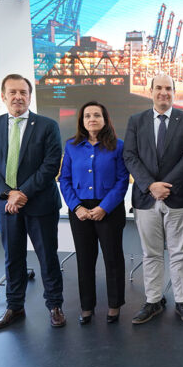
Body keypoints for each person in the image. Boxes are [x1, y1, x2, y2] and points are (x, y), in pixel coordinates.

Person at [0, 73, 66, 330]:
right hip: (6, 205)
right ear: (3, 96)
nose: (18, 97)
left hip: (40, 204)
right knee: (13, 258)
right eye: (13, 92)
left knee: (47, 257)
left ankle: (55, 306)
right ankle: (14, 306)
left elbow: (51, 165)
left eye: (23, 92)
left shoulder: (47, 125)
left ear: (30, 96)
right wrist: (9, 194)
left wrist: (22, 193)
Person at [123, 73, 183, 325]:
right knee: (151, 253)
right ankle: (153, 300)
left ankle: (182, 301)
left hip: (178, 197)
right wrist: (150, 185)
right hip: (146, 198)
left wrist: (166, 186)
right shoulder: (136, 121)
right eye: (159, 88)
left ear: (174, 92)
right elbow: (130, 156)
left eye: (168, 88)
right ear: (151, 91)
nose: (163, 92)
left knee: (179, 253)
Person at [59, 101, 129, 324]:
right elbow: (65, 180)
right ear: (82, 121)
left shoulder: (118, 146)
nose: (92, 119)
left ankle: (114, 305)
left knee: (113, 259)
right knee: (85, 260)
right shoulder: (71, 146)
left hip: (109, 209)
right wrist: (76, 207)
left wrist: (104, 208)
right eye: (87, 115)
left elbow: (122, 181)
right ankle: (87, 306)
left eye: (97, 115)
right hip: (79, 210)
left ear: (105, 119)